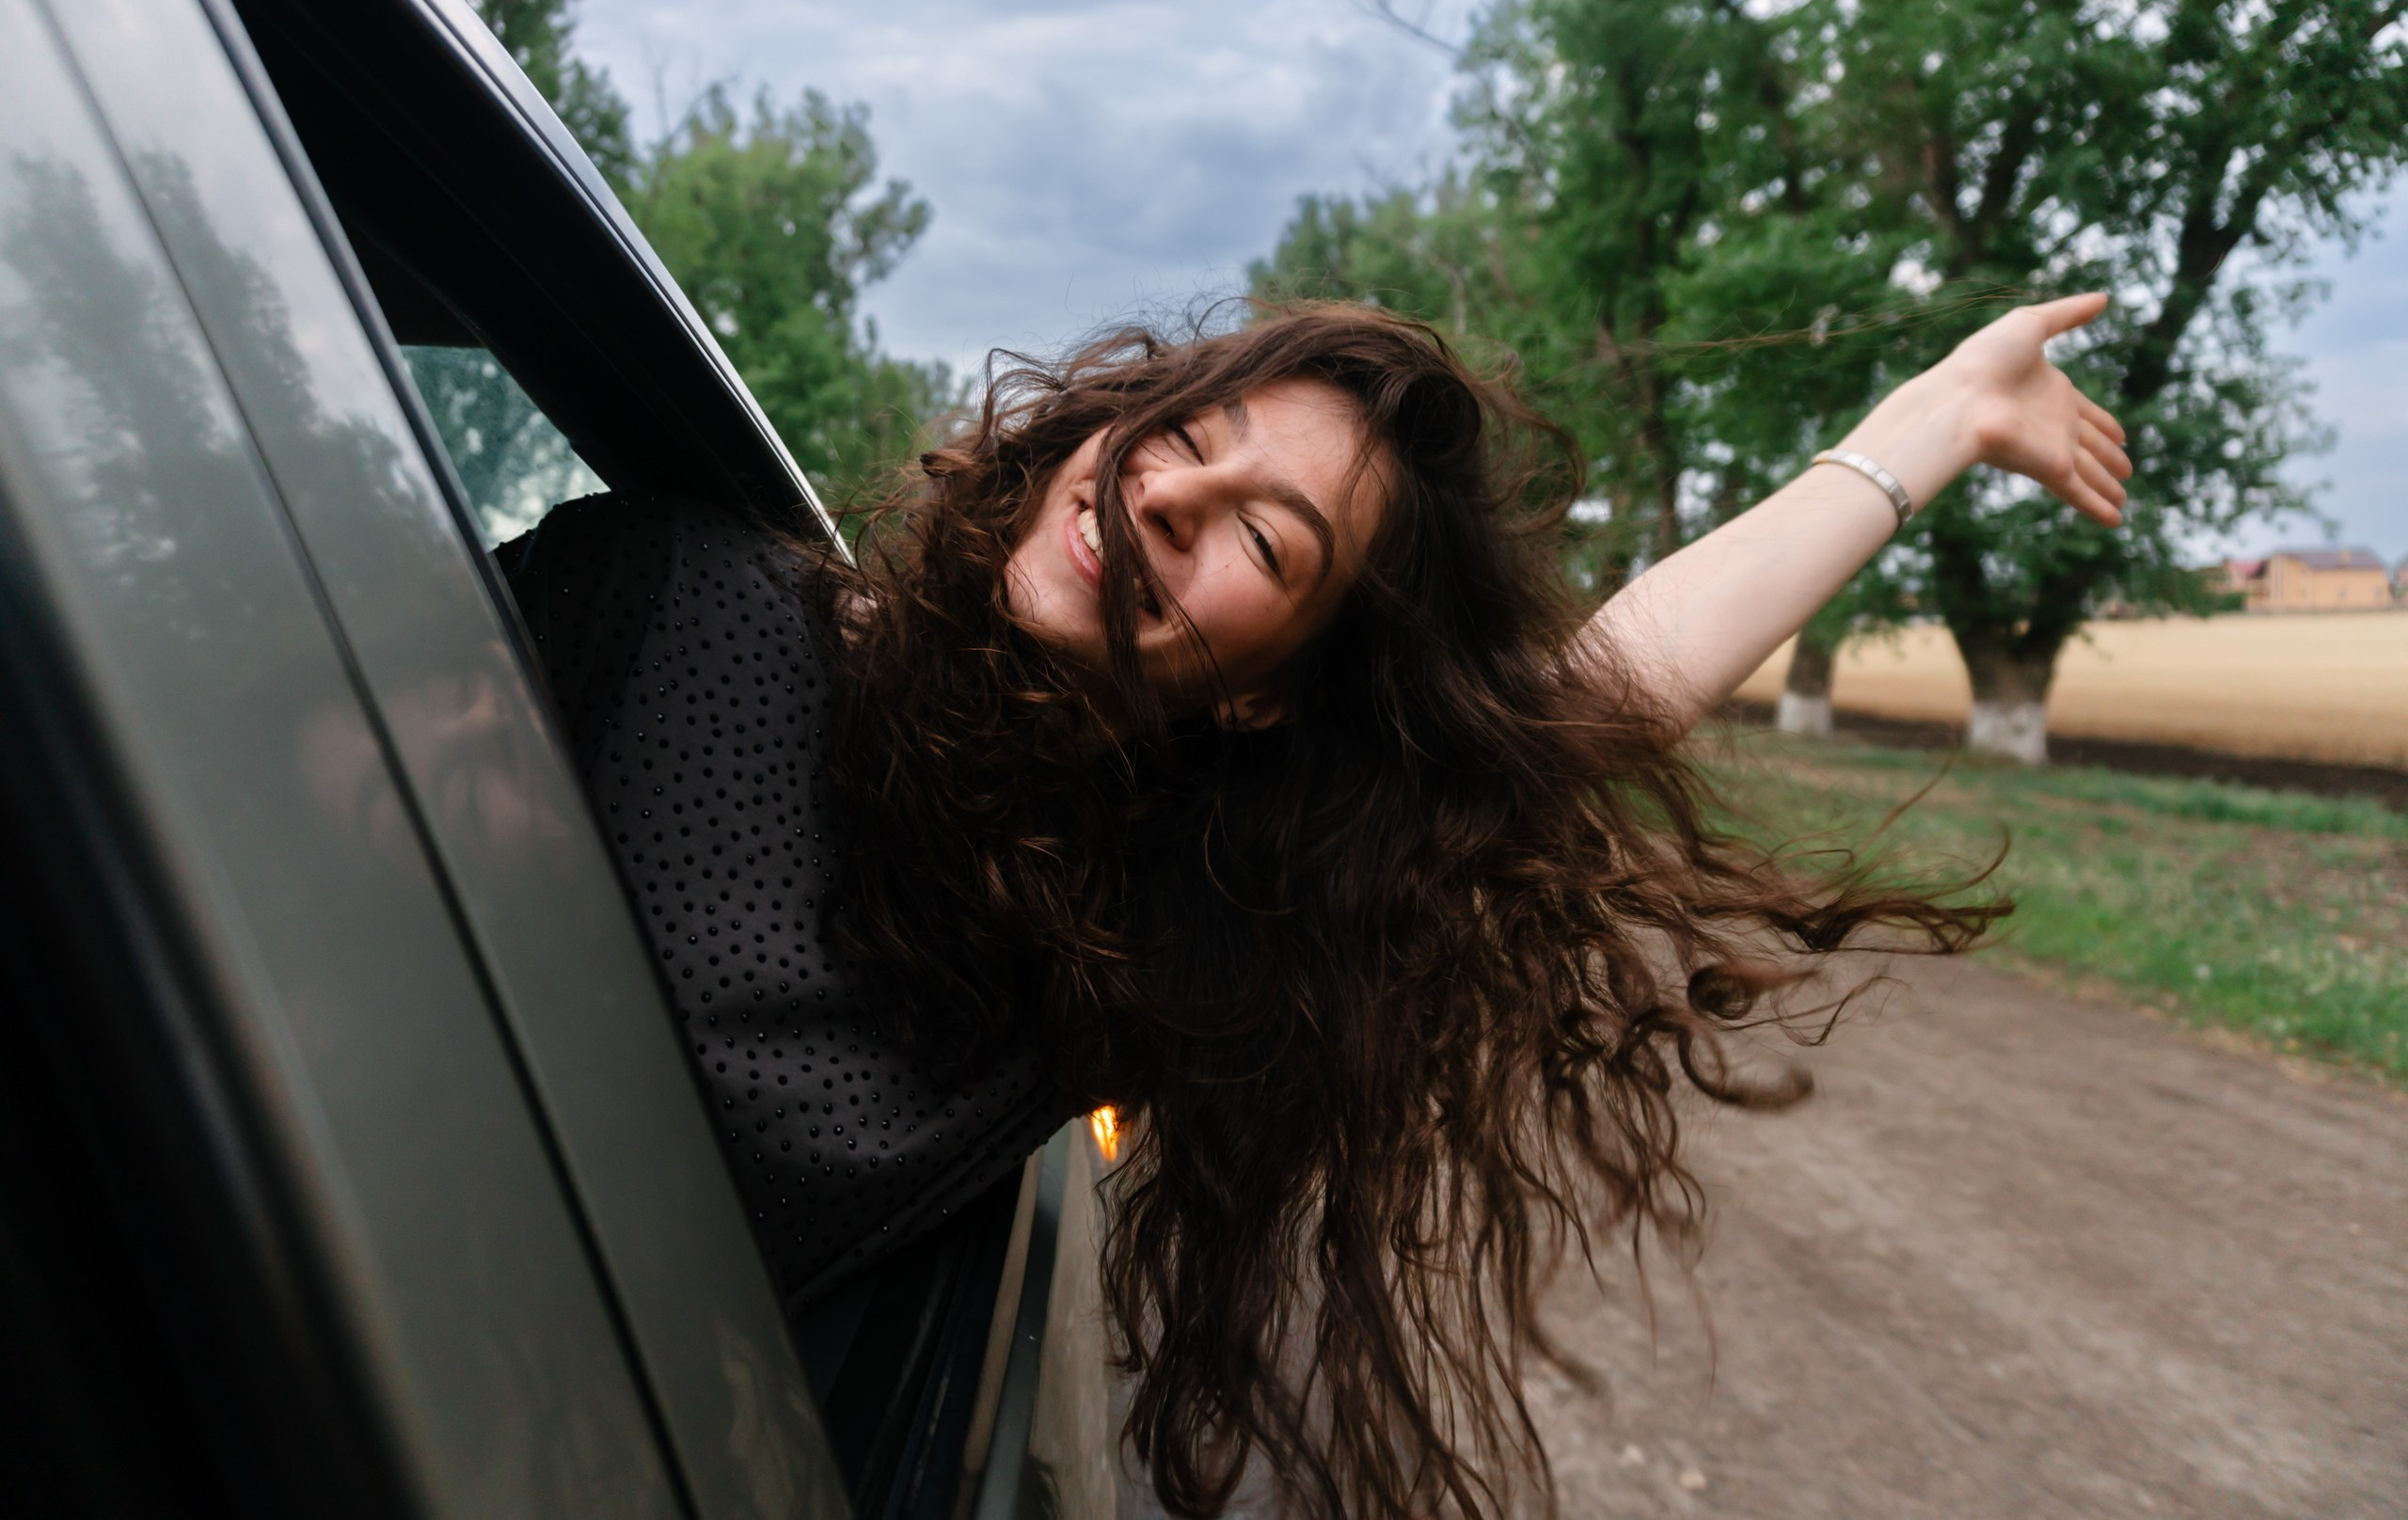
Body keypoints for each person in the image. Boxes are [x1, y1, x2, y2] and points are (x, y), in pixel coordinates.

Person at [500, 293, 2129, 1519]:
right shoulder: (669, 587)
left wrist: (1935, 419)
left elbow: (1590, 704)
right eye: (1182, 439)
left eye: (1260, 544)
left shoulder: (1122, 940)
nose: (1164, 503)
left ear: (1271, 695)